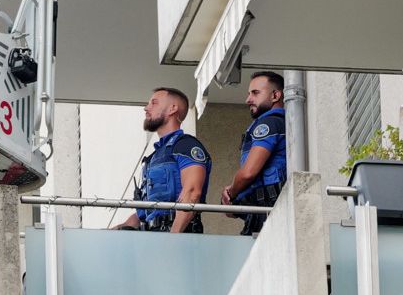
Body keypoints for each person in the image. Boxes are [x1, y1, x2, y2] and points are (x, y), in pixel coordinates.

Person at [114, 87, 211, 233]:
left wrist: (172, 240)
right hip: (153, 238)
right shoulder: (153, 157)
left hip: (179, 237)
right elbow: (144, 213)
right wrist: (111, 232)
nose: (146, 108)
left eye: (154, 103)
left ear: (172, 109)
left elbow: (192, 193)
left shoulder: (186, 145)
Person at [221, 71, 288, 235]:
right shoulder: (279, 122)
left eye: (255, 93)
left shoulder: (269, 123)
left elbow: (248, 173)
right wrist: (234, 202)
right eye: (249, 93)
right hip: (265, 213)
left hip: (270, 212)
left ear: (275, 95)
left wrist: (230, 193)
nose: (248, 99)